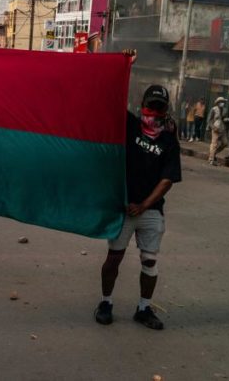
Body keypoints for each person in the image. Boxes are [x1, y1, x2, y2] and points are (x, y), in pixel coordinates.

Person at [94, 76, 181, 331]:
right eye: (151, 106)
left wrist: (143, 205)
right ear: (142, 105)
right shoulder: (129, 125)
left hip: (151, 210)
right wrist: (123, 67)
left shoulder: (168, 141)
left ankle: (144, 308)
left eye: (159, 107)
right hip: (123, 208)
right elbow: (107, 102)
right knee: (114, 259)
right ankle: (105, 303)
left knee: (150, 261)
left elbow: (167, 179)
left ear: (165, 109)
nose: (154, 111)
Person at [207, 97, 228, 166]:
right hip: (215, 128)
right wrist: (213, 127)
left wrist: (226, 120)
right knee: (214, 144)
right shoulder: (214, 109)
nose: (222, 103)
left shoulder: (225, 110)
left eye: (223, 102)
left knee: (225, 143)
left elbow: (224, 118)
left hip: (222, 128)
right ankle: (211, 159)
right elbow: (209, 120)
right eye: (221, 101)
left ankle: (213, 153)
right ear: (218, 102)